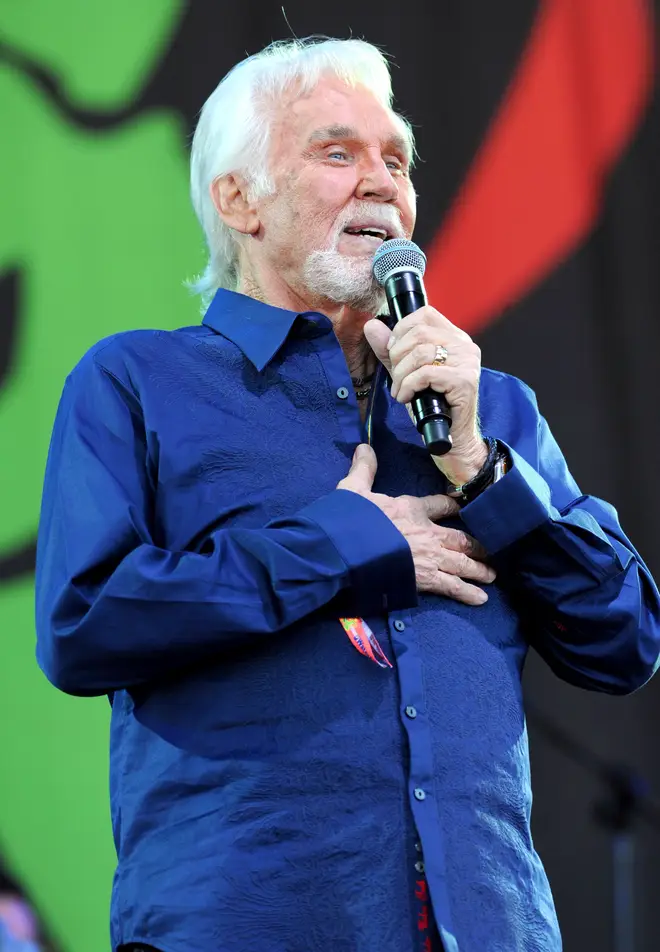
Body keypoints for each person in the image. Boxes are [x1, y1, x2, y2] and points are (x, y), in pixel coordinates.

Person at [35, 37, 660, 952]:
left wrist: (482, 469)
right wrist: (335, 547)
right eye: (338, 153)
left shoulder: (488, 409)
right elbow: (84, 622)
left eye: (397, 160)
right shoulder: (139, 382)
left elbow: (624, 639)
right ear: (237, 198)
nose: (383, 182)